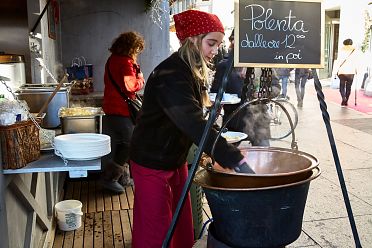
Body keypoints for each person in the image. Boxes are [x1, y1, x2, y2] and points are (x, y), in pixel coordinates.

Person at [129, 10, 254, 248]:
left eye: (218, 44)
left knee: (181, 224)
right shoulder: (171, 72)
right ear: (192, 39)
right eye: (211, 43)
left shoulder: (189, 69)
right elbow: (192, 121)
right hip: (151, 162)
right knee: (156, 231)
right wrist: (233, 157)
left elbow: (196, 115)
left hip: (174, 158)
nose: (215, 50)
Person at [101, 31, 145, 193]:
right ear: (131, 47)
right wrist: (141, 80)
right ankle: (109, 178)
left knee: (123, 143)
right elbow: (130, 86)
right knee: (129, 143)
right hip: (121, 110)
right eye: (137, 49)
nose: (137, 53)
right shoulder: (126, 62)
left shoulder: (112, 59)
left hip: (111, 108)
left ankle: (123, 177)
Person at [333, 38, 359, 106]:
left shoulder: (341, 50)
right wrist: (357, 70)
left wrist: (335, 71)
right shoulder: (354, 50)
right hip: (351, 72)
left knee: (342, 86)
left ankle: (343, 98)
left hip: (342, 71)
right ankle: (346, 101)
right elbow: (356, 61)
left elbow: (338, 61)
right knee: (348, 87)